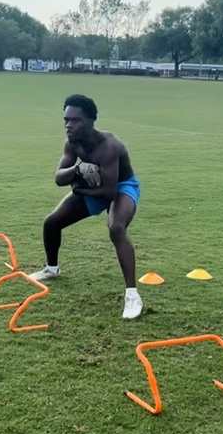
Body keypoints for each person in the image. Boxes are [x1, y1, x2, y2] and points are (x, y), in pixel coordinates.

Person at [30, 94, 143, 319]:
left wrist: (79, 189)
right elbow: (59, 178)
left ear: (91, 121)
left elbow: (108, 192)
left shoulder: (109, 146)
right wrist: (78, 169)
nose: (68, 125)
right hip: (93, 188)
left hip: (121, 187)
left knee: (116, 228)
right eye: (66, 120)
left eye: (75, 120)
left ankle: (132, 296)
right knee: (52, 222)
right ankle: (51, 269)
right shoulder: (72, 144)